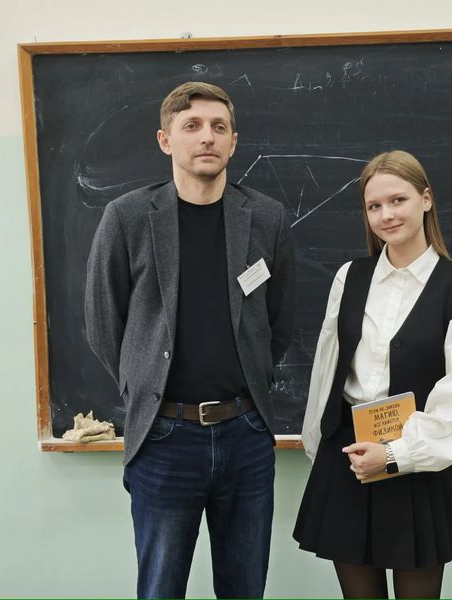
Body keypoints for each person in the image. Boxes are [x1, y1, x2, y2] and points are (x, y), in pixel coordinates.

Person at [85, 81, 295, 599]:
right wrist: (144, 383)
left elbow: (279, 321)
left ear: (233, 142)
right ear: (165, 140)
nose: (207, 137)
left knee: (245, 588)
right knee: (161, 588)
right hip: (164, 437)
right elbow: (103, 324)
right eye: (192, 126)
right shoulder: (127, 218)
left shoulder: (266, 217)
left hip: (246, 434)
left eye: (219, 127)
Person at [293, 150, 452, 599]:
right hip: (350, 459)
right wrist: (321, 448)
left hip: (415, 464)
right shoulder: (349, 277)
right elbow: (327, 369)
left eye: (398, 200)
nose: (386, 215)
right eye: (374, 206)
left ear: (426, 200)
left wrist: (396, 455)